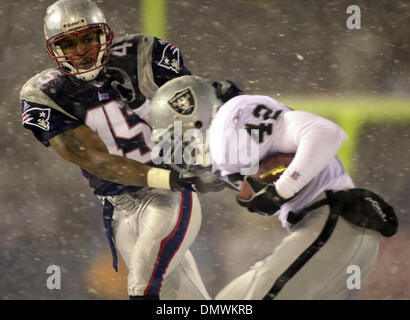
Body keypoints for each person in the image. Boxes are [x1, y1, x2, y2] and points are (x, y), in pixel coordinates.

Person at [20, 0, 218, 300]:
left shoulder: (144, 56)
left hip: (170, 196)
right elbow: (96, 159)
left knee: (143, 285)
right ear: (53, 49)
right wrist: (167, 177)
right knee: (182, 296)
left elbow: (194, 118)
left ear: (105, 34)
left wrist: (145, 104)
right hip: (120, 208)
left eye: (88, 37)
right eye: (70, 43)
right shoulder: (47, 93)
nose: (83, 50)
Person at [148, 75, 398, 299]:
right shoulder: (224, 146)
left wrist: (281, 191)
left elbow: (326, 132)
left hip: (334, 221)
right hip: (330, 234)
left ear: (196, 120)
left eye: (178, 136)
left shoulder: (231, 117)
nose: (180, 149)